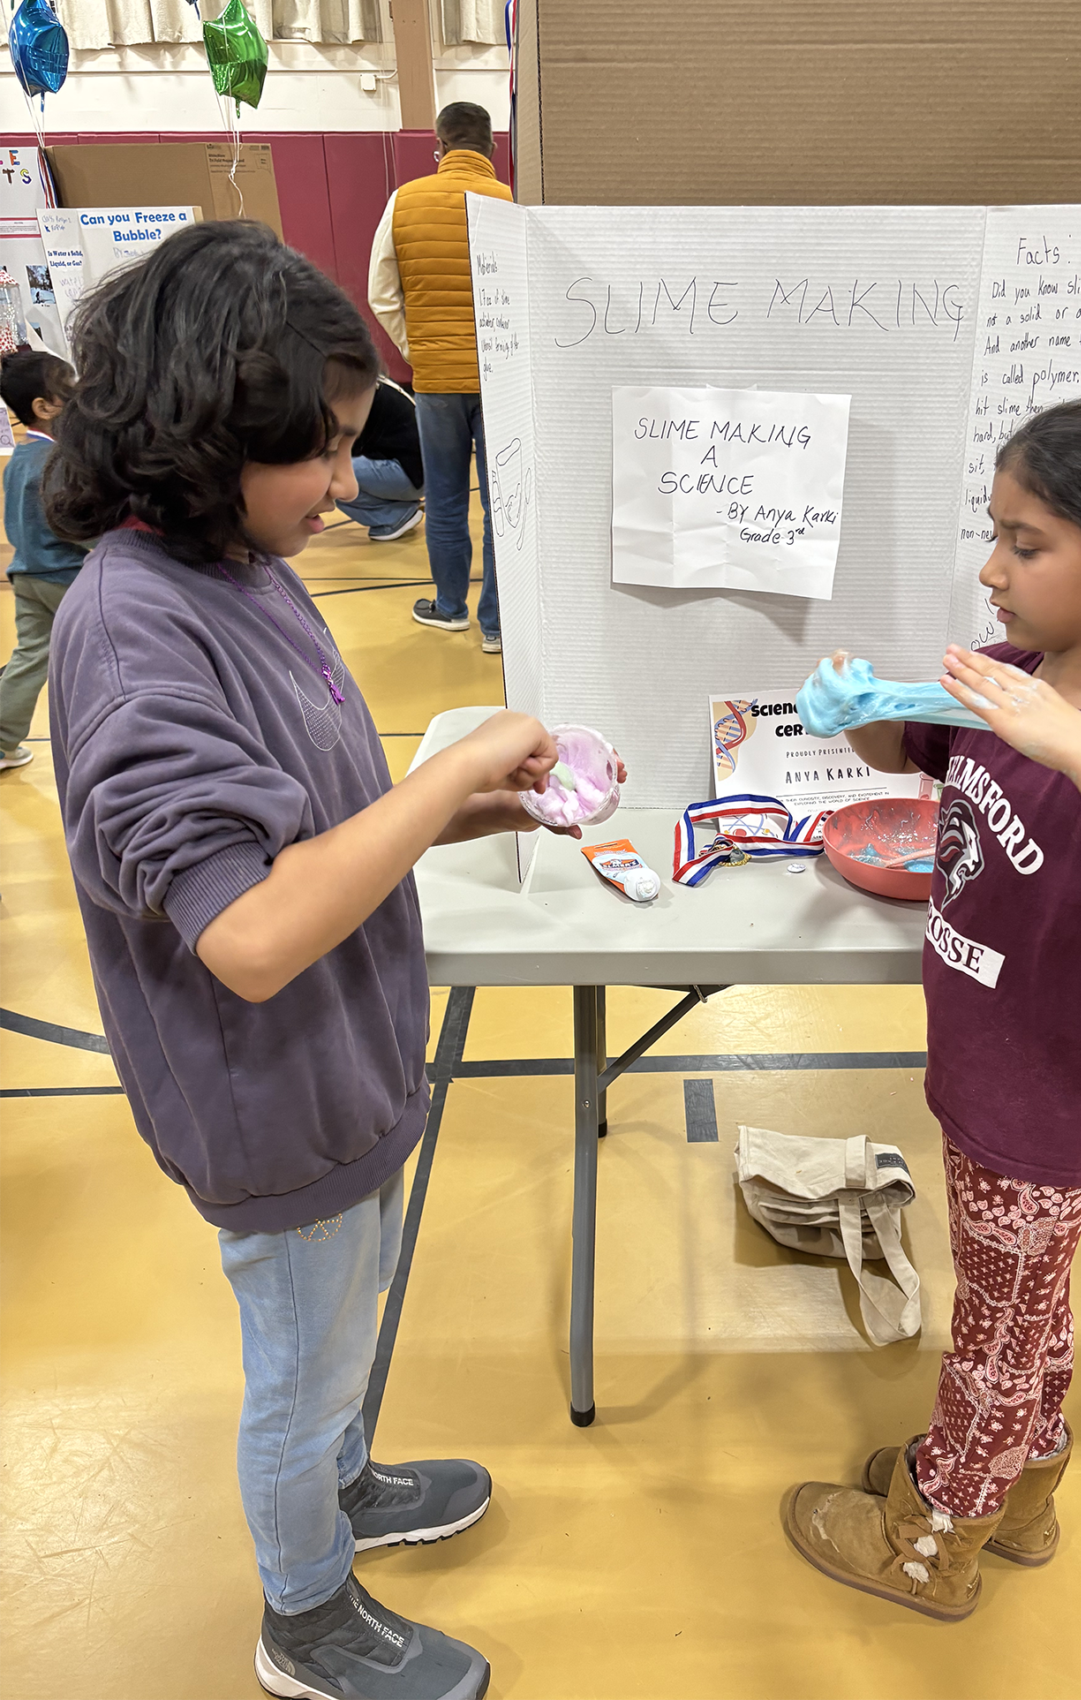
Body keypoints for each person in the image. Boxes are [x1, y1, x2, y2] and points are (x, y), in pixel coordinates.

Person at [43, 220, 577, 1700]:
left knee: (342, 1324)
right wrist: (435, 785)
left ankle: (342, 1479)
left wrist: (463, 808)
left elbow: (318, 833)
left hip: (345, 1063)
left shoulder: (241, 572)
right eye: (325, 453)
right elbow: (257, 933)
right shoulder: (134, 636)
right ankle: (304, 1612)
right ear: (210, 437)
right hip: (270, 1095)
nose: (349, 484)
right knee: (300, 1362)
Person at [784, 392, 1081, 1621]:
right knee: (1027, 1311)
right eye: (993, 533)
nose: (990, 570)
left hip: (1040, 1115)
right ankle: (1024, 1488)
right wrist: (868, 716)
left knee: (992, 1339)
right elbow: (926, 749)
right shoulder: (1017, 676)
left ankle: (935, 1534)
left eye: (1024, 542)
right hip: (987, 1081)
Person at [368, 101, 510, 655]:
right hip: (499, 378)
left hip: (435, 382)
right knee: (502, 507)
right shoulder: (508, 204)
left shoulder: (405, 200)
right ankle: (497, 626)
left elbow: (381, 291)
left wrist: (418, 349)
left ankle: (450, 609)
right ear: (491, 148)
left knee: (447, 498)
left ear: (440, 146)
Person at [0, 349, 86, 771]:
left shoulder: (17, 460)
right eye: (69, 388)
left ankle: (1, 741)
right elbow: (75, 524)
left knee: (30, 656)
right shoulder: (58, 462)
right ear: (45, 406)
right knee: (102, 654)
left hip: (26, 574)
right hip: (64, 576)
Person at [335, 374, 425, 542]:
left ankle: (393, 516)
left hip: (411, 474)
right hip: (422, 471)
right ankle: (398, 505)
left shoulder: (356, 398)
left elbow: (342, 449)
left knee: (333, 476)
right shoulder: (374, 384)